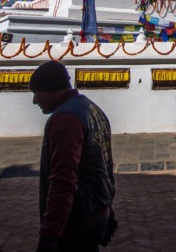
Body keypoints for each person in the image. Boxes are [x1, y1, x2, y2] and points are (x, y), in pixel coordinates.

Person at [31, 61, 117, 252]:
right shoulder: (93, 109)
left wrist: (49, 236)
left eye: (37, 93)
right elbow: (105, 166)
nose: (35, 101)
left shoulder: (65, 119)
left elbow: (63, 181)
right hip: (95, 213)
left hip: (75, 221)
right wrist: (107, 207)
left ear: (50, 89)